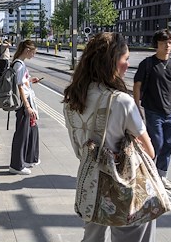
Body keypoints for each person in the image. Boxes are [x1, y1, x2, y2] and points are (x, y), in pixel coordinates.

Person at [64, 32, 156, 241]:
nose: (128, 65)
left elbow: (78, 146)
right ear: (111, 62)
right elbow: (149, 152)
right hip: (124, 186)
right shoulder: (121, 101)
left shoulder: (72, 100)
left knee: (92, 238)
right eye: (125, 59)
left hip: (90, 185)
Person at [133, 29, 171, 190]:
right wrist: (137, 107)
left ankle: (161, 176)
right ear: (157, 44)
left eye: (170, 43)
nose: (167, 46)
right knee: (156, 144)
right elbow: (137, 86)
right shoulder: (147, 64)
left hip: (170, 111)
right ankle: (148, 172)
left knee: (168, 145)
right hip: (153, 110)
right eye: (163, 43)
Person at [8, 40, 42, 175]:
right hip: (24, 102)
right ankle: (16, 165)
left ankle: (27, 159)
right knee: (22, 133)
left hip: (25, 101)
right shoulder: (19, 64)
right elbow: (20, 86)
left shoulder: (19, 63)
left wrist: (31, 80)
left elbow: (22, 82)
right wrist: (27, 106)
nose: (34, 55)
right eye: (33, 52)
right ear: (27, 50)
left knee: (30, 130)